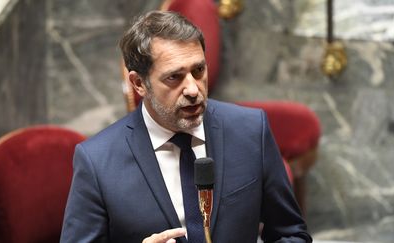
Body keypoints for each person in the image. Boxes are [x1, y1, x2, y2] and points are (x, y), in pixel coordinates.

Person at [60, 10, 312, 243]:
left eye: (198, 70)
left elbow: (291, 234)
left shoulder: (250, 131)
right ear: (139, 83)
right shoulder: (97, 161)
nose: (193, 89)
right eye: (174, 77)